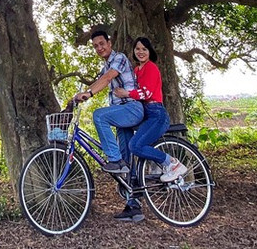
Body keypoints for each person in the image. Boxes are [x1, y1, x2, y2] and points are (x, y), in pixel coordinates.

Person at [74, 28, 145, 221]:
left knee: (99, 116)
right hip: (122, 115)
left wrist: (89, 94)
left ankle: (115, 160)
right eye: (95, 46)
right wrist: (76, 98)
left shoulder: (119, 58)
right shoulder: (106, 65)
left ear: (109, 43)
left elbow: (106, 80)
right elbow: (98, 80)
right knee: (127, 160)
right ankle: (134, 207)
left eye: (101, 44)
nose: (99, 48)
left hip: (132, 108)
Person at [112, 37, 187, 185]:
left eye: (144, 49)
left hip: (156, 113)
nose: (140, 52)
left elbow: (146, 93)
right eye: (137, 49)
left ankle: (172, 163)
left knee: (135, 145)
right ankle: (130, 180)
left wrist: (126, 94)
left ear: (149, 51)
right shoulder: (136, 70)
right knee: (123, 131)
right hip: (143, 113)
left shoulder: (151, 67)